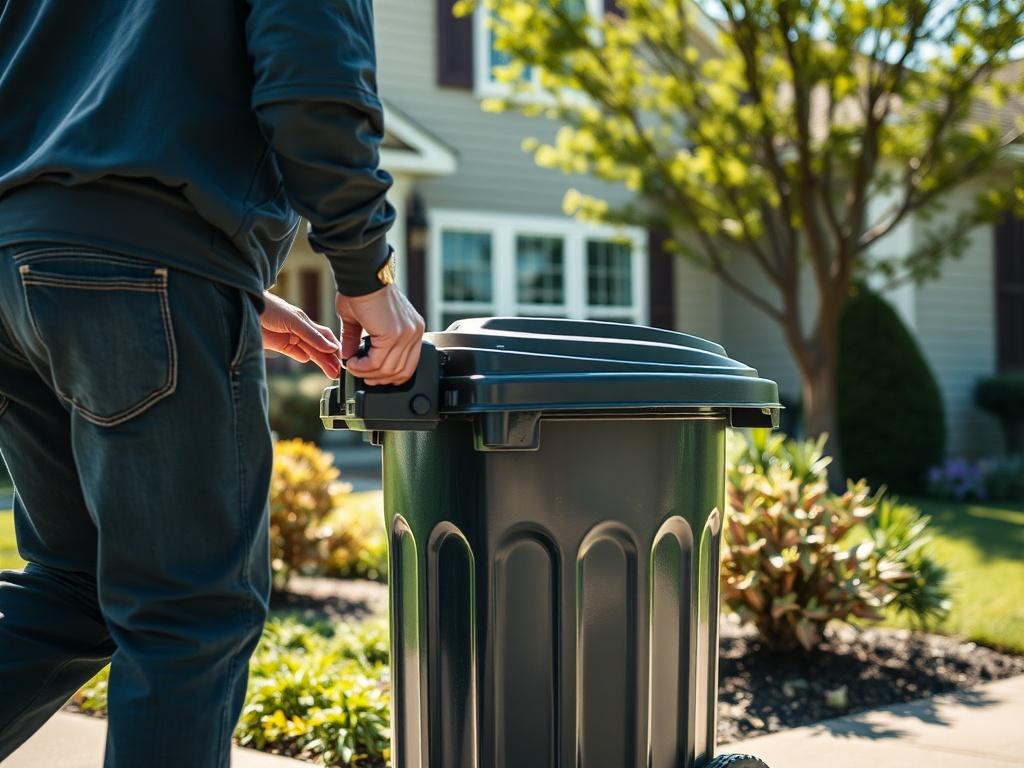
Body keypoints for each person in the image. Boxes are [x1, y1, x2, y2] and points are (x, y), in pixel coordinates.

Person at [0, 0, 424, 765]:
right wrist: (367, 272)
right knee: (186, 614)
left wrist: (232, 283)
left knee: (73, 583)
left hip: (13, 267)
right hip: (143, 255)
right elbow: (312, 75)